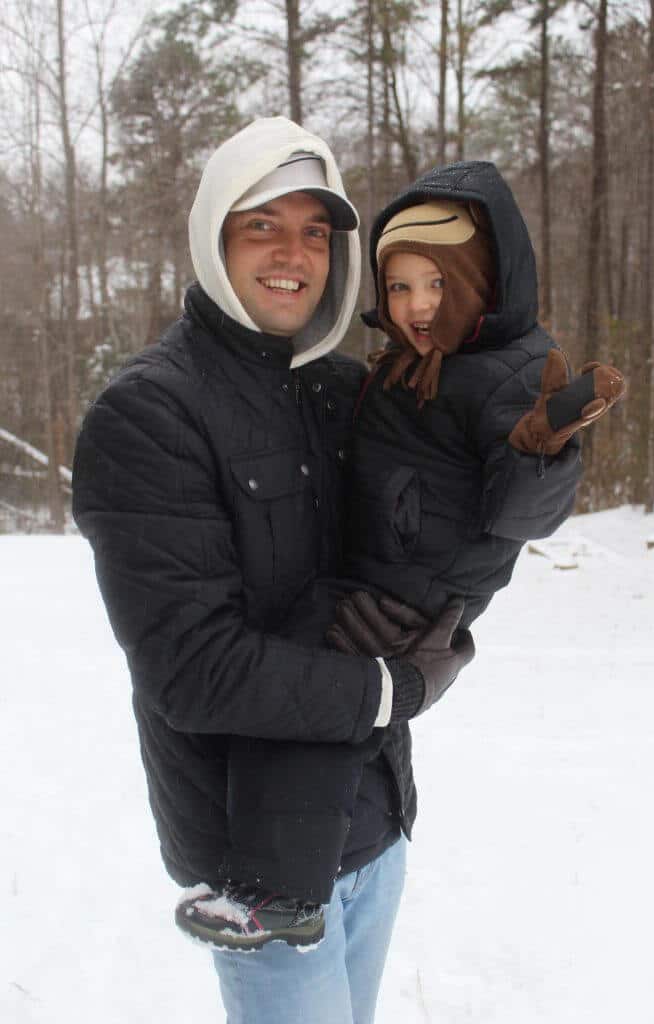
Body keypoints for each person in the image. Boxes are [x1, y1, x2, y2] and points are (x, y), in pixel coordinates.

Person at [71, 116, 474, 1024]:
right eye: (262, 225)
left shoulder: (344, 393)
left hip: (372, 822)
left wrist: (452, 628)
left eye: (315, 231)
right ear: (215, 236)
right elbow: (192, 671)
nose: (292, 253)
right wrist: (391, 688)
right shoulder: (149, 415)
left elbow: (422, 552)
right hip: (255, 868)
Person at [176, 161, 625, 951]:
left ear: (481, 282)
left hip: (421, 588)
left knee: (322, 705)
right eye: (401, 286)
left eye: (437, 285)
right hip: (382, 566)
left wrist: (537, 452)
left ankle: (284, 895)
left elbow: (524, 519)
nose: (418, 306)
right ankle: (295, 871)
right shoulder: (416, 359)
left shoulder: (510, 373)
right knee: (320, 695)